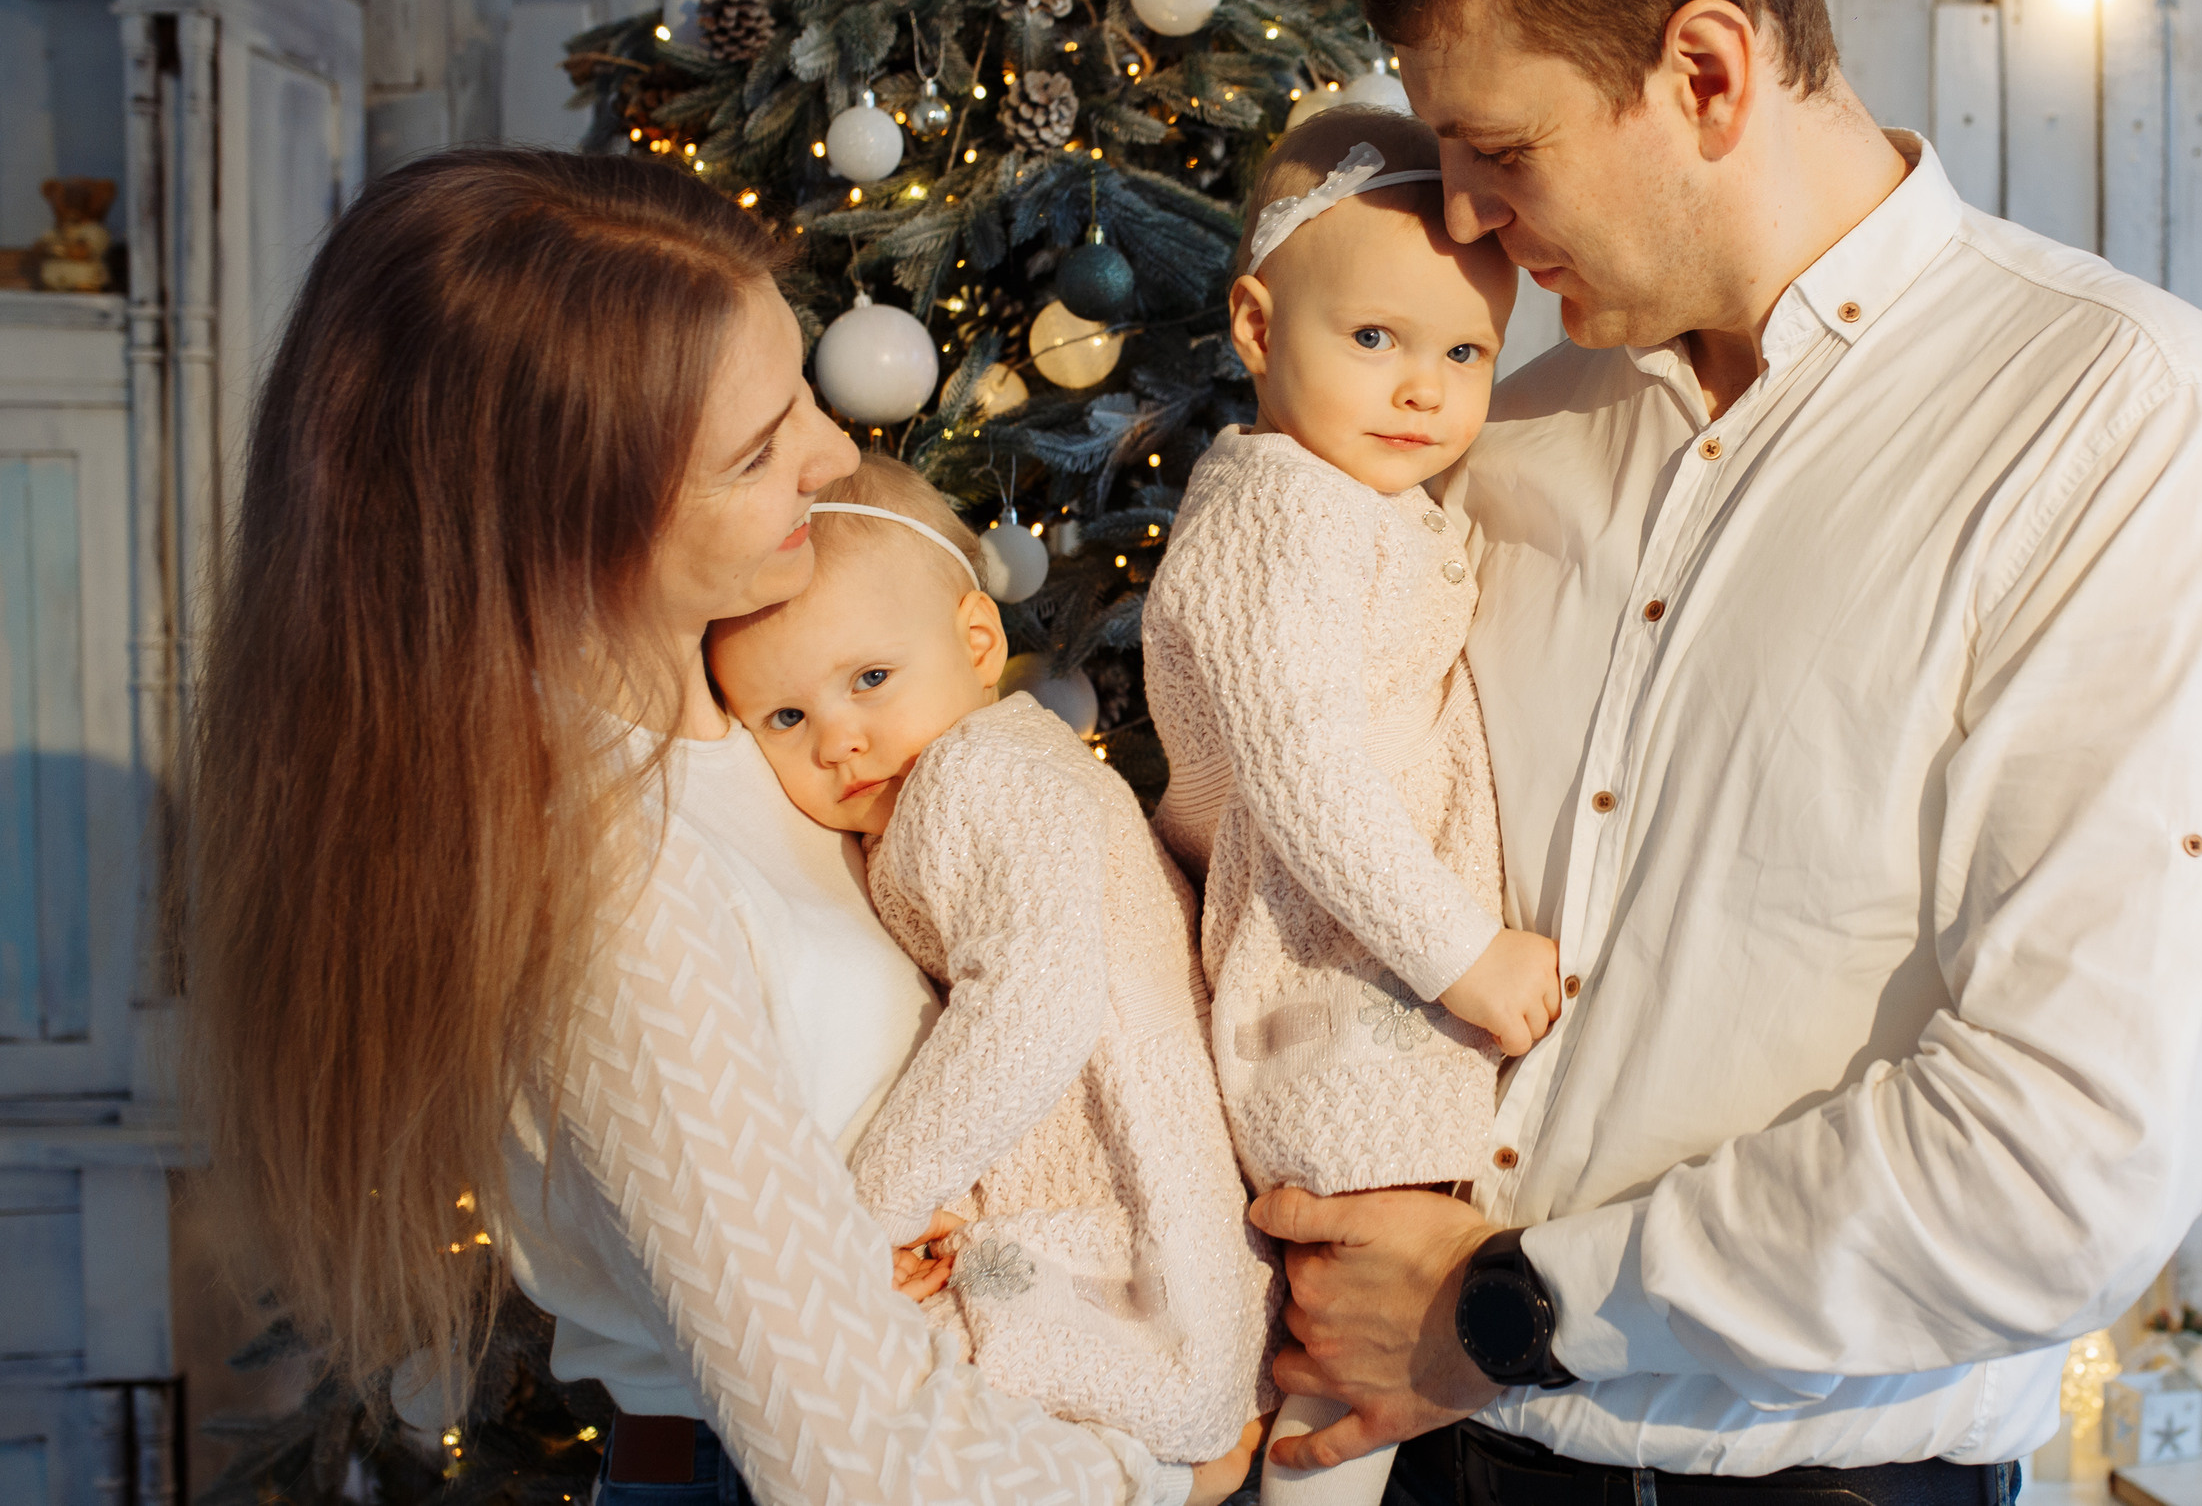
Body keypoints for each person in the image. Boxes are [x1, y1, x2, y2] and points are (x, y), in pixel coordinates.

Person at [1245, 0, 2202, 1505]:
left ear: (1708, 70)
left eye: (1502, 147)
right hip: (1433, 1463)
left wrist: (1511, 1307)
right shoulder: (1499, 436)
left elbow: (2065, 1161)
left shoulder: (2116, 427)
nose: (1456, 211)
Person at [181, 148, 1256, 1506]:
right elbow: (855, 1453)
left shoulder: (749, 699)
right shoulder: (608, 872)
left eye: (801, 390)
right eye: (756, 450)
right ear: (570, 519)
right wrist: (1169, 1473)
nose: (831, 453)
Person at [1143, 106, 1556, 1506]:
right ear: (1258, 326)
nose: (1423, 389)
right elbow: (1302, 769)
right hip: (1341, 976)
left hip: (1370, 968)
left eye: (1464, 352)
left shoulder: (1358, 500)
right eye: (1374, 338)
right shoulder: (1280, 514)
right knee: (1346, 1322)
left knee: (1375, 1327)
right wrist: (1465, 952)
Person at [704, 456, 1275, 1465]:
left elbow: (1034, 1006)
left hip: (1138, 1198)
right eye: (786, 719)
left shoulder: (985, 772)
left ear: (976, 641)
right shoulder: (942, 792)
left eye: (870, 679)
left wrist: (874, 1207)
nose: (841, 740)